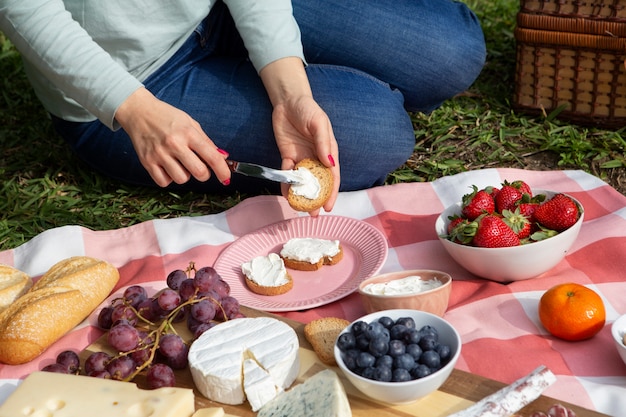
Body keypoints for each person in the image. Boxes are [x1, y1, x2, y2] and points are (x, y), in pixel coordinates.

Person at [0, 0, 486, 214]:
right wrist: (133, 109)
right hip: (135, 80)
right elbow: (25, 9)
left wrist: (291, 90)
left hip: (219, 10)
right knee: (377, 129)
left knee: (452, 50)